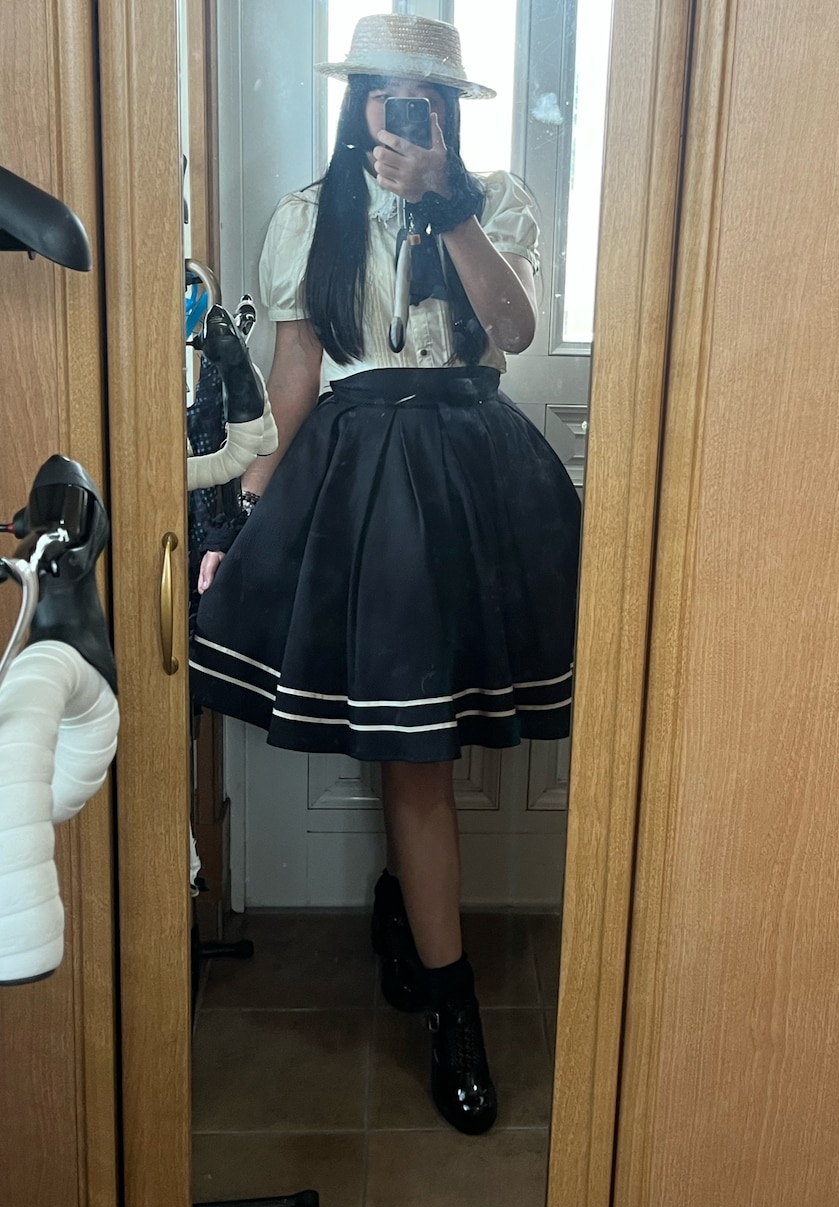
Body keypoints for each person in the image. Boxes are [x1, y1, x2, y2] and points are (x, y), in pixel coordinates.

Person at [189, 13, 580, 1135]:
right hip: (363, 485)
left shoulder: (495, 200)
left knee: (437, 731)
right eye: (382, 93)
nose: (401, 115)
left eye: (422, 100)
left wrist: (448, 203)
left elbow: (513, 331)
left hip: (480, 478)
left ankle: (407, 923)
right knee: (412, 742)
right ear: (354, 100)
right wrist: (240, 517)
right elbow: (293, 383)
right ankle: (453, 1004)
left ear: (447, 113)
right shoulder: (308, 215)